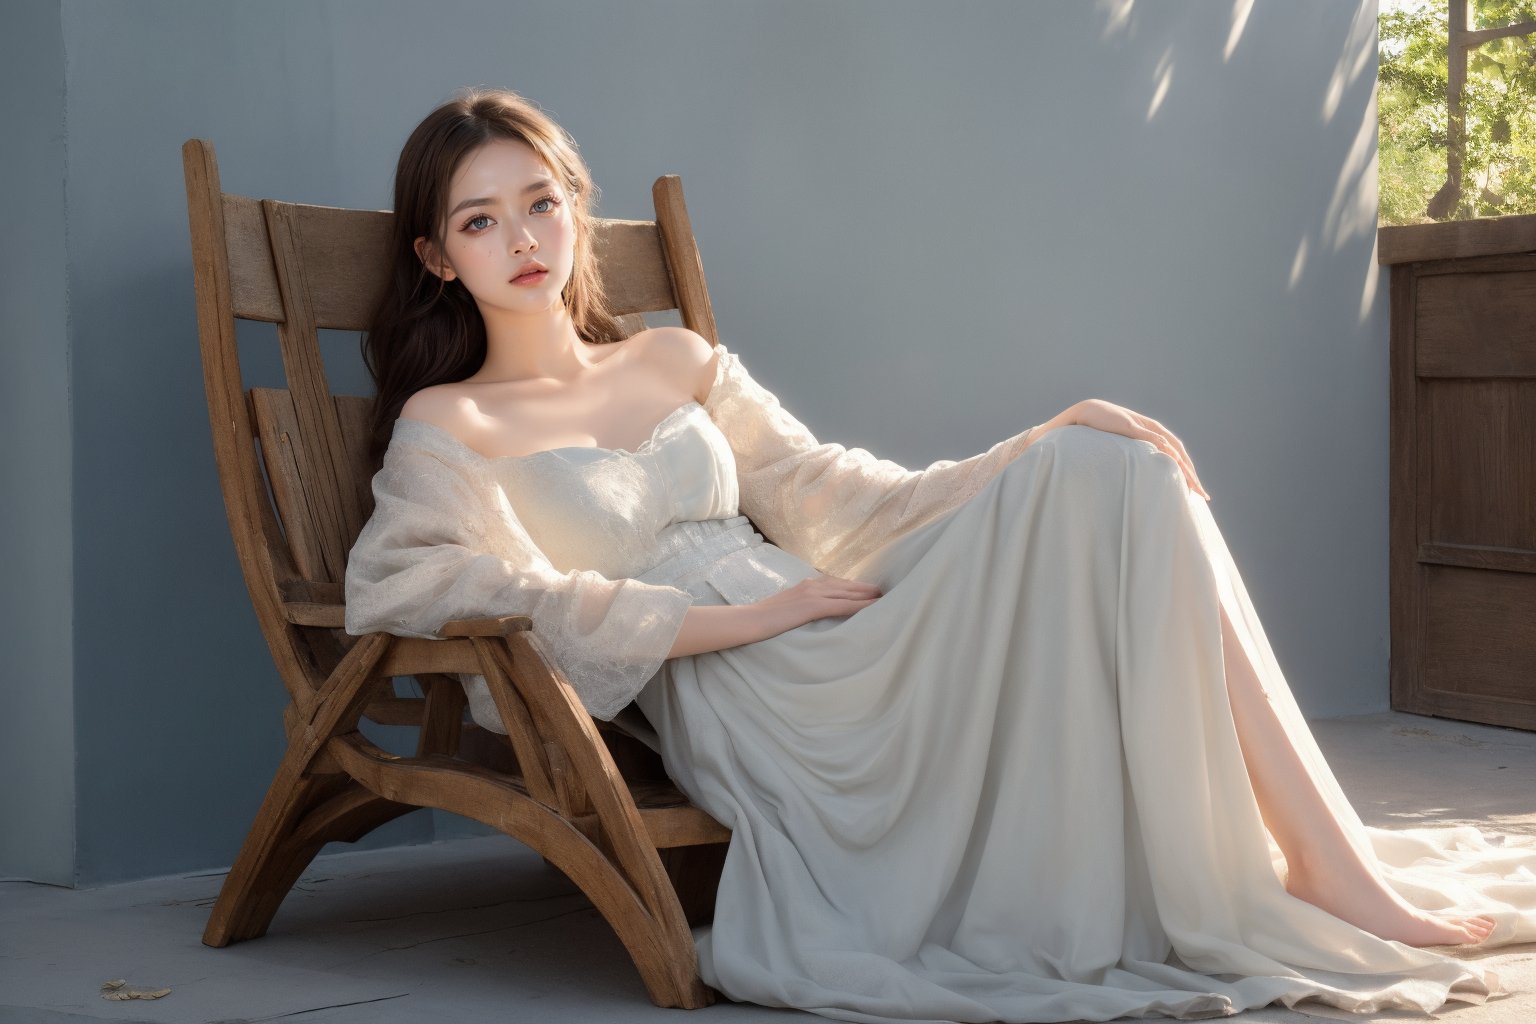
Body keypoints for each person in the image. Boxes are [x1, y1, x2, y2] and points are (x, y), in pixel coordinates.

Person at [346, 88, 1534, 1023]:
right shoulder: (451, 423)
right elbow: (430, 585)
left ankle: (1324, 863)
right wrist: (715, 622)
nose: (523, 237)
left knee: (1115, 469)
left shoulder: (675, 361)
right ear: (439, 256)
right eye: (480, 219)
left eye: (541, 201)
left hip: (835, 610)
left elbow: (835, 495)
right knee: (1096, 482)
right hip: (754, 692)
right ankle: (1318, 866)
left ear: (576, 208)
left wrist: (1029, 446)